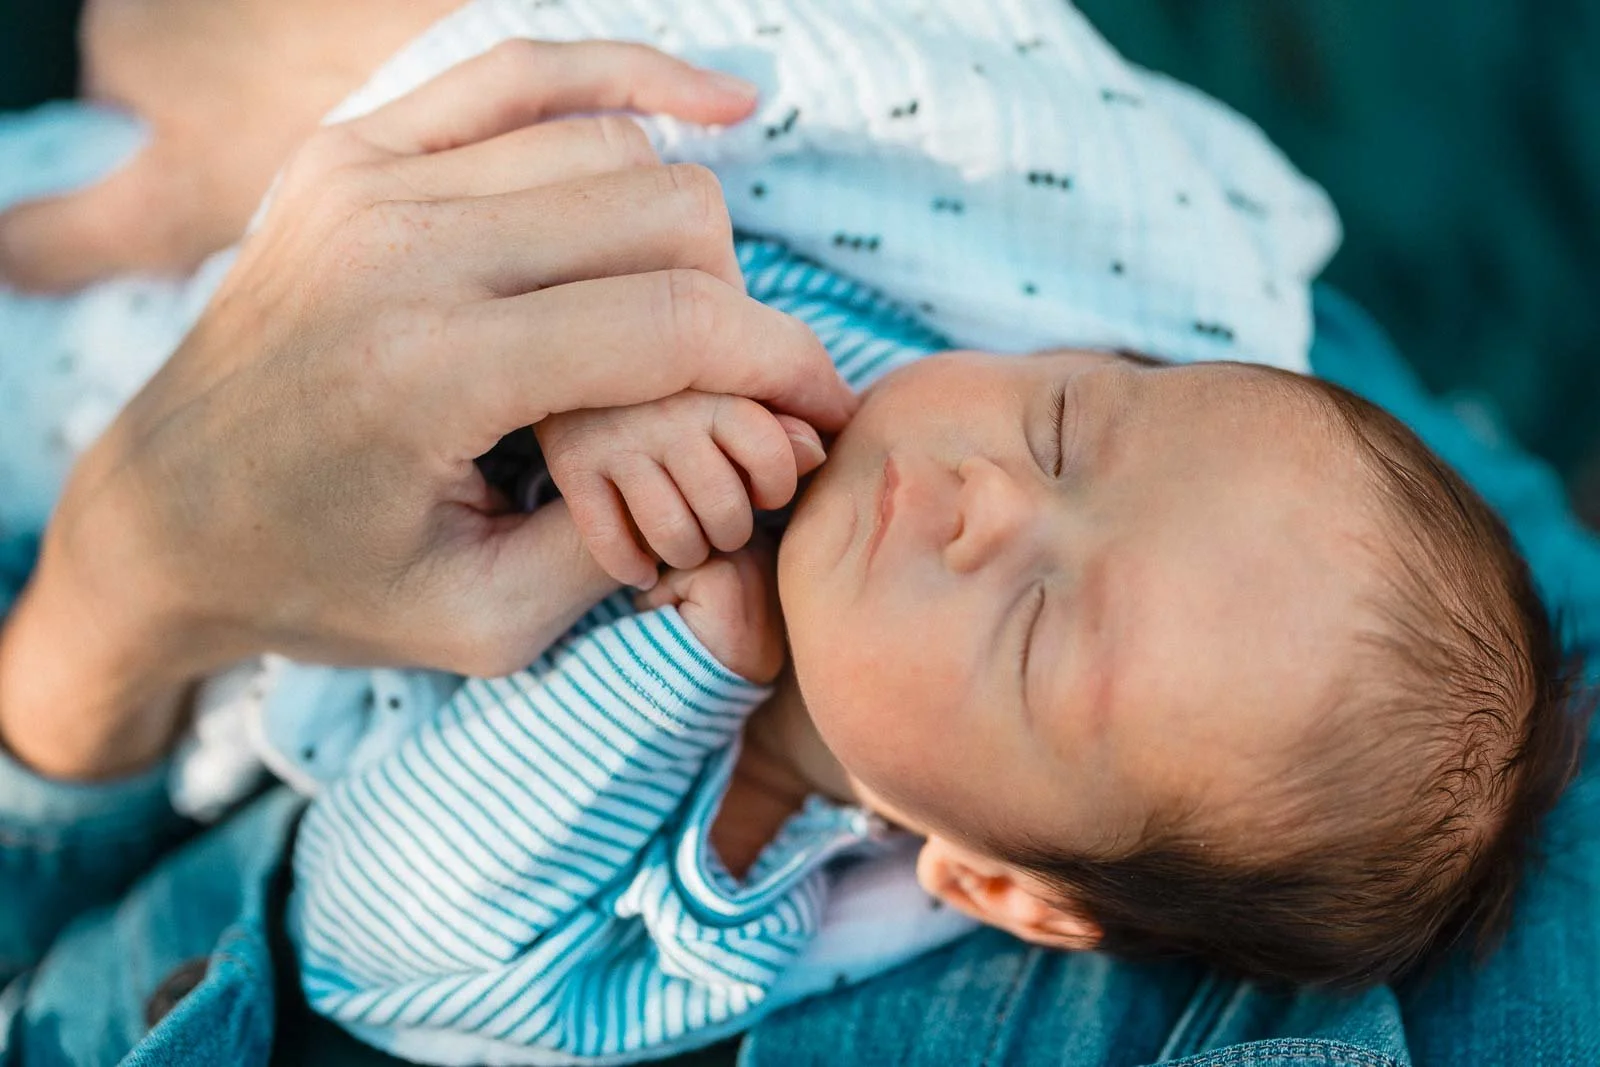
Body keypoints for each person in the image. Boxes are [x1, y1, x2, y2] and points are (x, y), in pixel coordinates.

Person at [2, 16, 1598, 1067]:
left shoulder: (720, 909)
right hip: (170, 230)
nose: (990, 497)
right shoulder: (885, 322)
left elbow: (373, 941)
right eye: (1067, 427)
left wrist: (690, 666)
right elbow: (745, 114)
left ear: (999, 882)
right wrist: (600, 350)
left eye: (1036, 630)